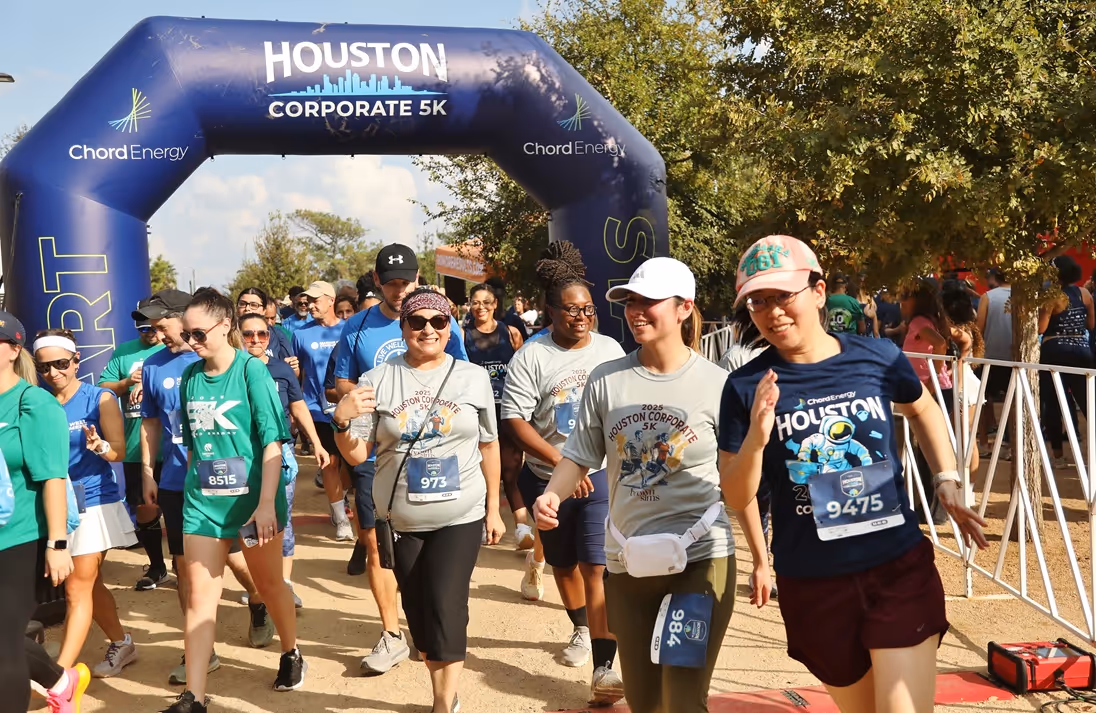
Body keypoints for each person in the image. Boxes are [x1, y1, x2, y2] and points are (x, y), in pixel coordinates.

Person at [719, 235, 989, 713]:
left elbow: (923, 408)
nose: (772, 312)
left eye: (784, 296)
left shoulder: (878, 357)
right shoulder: (746, 386)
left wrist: (946, 477)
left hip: (895, 566)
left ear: (819, 291)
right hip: (813, 581)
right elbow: (735, 493)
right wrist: (759, 437)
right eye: (757, 301)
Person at [533, 257, 768, 713]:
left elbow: (736, 481)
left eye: (649, 301)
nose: (636, 310)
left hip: (699, 560)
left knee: (680, 697)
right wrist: (551, 494)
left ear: (684, 308)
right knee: (644, 701)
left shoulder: (720, 385)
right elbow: (580, 455)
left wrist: (761, 558)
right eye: (631, 302)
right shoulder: (607, 379)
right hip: (627, 562)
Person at [333, 287, 504, 713]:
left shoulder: (472, 377)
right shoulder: (377, 380)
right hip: (401, 516)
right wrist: (341, 419)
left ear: (450, 328)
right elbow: (357, 454)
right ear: (404, 327)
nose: (427, 329)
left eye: (438, 322)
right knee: (420, 613)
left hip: (459, 512)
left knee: (447, 601)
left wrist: (493, 509)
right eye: (417, 322)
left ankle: (443, 703)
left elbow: (488, 445)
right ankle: (441, 686)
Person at [161, 288, 304, 713]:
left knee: (269, 585)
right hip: (203, 503)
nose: (192, 342)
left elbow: (273, 444)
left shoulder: (251, 372)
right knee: (200, 599)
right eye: (187, 335)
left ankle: (291, 651)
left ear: (225, 326)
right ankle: (194, 697)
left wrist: (265, 505)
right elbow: (193, 444)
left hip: (254, 502)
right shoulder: (189, 377)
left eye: (199, 333)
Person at [332, 245, 469, 675]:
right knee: (377, 545)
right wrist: (363, 399)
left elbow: (461, 377)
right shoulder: (356, 328)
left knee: (433, 553)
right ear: (376, 280)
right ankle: (392, 634)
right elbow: (340, 382)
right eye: (391, 282)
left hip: (437, 451)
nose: (399, 289)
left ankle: (435, 625)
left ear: (417, 277)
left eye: (406, 281)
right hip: (380, 450)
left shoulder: (444, 322)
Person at [501, 242, 626, 704]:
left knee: (597, 564)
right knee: (562, 563)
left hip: (600, 476)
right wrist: (561, 464)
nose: (581, 317)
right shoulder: (533, 357)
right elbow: (513, 420)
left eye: (588, 309)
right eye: (571, 310)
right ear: (550, 311)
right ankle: (579, 626)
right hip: (545, 477)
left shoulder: (610, 349)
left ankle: (603, 667)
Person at [137, 289, 271, 688]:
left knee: (240, 562)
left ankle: (260, 601)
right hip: (184, 483)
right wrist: (148, 471)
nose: (161, 333)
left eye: (165, 325)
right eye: (154, 327)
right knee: (187, 572)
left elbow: (267, 434)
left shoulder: (233, 366)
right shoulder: (156, 367)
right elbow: (152, 423)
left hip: (238, 485)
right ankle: (200, 658)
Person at [34, 329, 140, 677]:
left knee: (77, 585)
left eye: (61, 363)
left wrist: (100, 448)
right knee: (90, 583)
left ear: (76, 361)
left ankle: (59, 675)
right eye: (45, 366)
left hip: (94, 501)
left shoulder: (100, 399)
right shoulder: (38, 401)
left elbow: (119, 452)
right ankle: (121, 642)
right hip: (54, 504)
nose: (53, 372)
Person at [0, 311, 79, 713]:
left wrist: (57, 543)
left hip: (20, 539)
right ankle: (61, 680)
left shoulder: (33, 403)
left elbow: (52, 478)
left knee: (3, 648)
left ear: (14, 349)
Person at [239, 313, 331, 607]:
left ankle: (285, 584)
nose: (255, 340)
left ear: (270, 336)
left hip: (282, 454)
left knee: (282, 518)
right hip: (242, 457)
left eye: (261, 334)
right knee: (247, 517)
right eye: (248, 334)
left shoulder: (280, 368)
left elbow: (299, 406)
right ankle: (259, 584)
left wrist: (316, 443)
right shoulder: (231, 371)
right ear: (238, 336)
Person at [98, 300, 167, 590]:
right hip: (136, 446)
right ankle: (157, 566)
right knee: (143, 506)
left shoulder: (175, 348)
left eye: (153, 327)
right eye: (142, 327)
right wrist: (126, 382)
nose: (148, 332)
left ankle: (184, 560)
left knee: (178, 505)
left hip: (174, 445)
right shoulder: (124, 350)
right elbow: (103, 386)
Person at [464, 282, 531, 550]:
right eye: (475, 302)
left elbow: (524, 370)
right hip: (478, 412)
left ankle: (522, 528)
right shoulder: (462, 335)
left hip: (508, 411)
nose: (480, 307)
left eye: (486, 302)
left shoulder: (511, 333)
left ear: (495, 305)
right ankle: (483, 523)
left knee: (512, 468)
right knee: (481, 472)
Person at [291, 281, 350, 540]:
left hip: (349, 408)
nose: (311, 305)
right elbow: (295, 373)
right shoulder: (301, 333)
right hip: (316, 409)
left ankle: (339, 496)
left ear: (331, 300)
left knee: (350, 463)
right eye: (308, 300)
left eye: (316, 300)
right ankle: (340, 518)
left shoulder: (349, 330)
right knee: (330, 462)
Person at [1038, 255, 1095, 468]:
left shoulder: (1052, 296)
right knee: (1089, 404)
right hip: (1082, 351)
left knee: (1052, 404)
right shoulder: (1085, 293)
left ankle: (1059, 457)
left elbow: (1041, 329)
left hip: (1054, 351)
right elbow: (1090, 325)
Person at [975, 268, 1013, 457]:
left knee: (983, 400)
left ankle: (984, 444)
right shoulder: (1024, 297)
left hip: (989, 358)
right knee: (1012, 401)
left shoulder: (987, 297)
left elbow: (979, 327)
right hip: (1014, 359)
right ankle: (1010, 444)